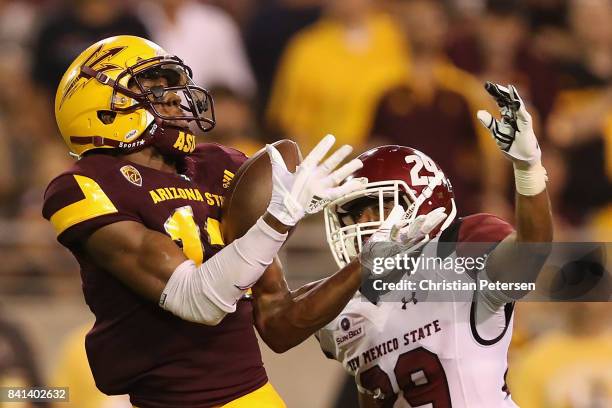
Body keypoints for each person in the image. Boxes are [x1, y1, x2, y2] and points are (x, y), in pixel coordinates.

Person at [41, 35, 372, 407]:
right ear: (103, 110)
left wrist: (372, 263)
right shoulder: (85, 185)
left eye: (171, 86)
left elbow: (278, 321)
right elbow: (196, 299)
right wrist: (278, 219)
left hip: (256, 396)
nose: (173, 97)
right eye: (152, 87)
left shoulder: (221, 166)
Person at [316, 83, 553, 407]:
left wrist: (527, 170)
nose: (363, 225)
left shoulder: (462, 263)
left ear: (424, 201)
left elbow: (531, 250)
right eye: (355, 216)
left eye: (378, 207)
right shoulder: (347, 311)